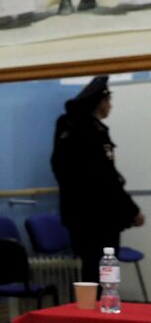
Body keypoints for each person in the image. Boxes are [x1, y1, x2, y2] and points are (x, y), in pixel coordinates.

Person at [51, 76, 144, 282]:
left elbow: (58, 168)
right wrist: (132, 210)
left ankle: (92, 309)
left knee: (91, 270)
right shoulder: (93, 132)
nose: (110, 106)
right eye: (109, 100)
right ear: (101, 102)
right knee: (105, 273)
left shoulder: (67, 126)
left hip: (77, 216)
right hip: (101, 218)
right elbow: (106, 178)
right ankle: (104, 310)